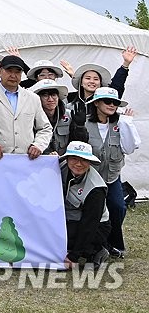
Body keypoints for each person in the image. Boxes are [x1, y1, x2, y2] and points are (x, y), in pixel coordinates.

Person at [84, 87, 141, 258]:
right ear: (96, 103)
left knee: (118, 207)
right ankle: (93, 245)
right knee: (93, 211)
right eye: (107, 101)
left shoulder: (121, 123)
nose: (112, 105)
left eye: (115, 102)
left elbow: (130, 148)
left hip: (112, 175)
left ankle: (113, 244)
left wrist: (128, 123)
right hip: (90, 177)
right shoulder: (85, 123)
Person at [0, 55, 51, 160]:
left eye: (17, 72)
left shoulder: (33, 98)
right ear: (0, 71)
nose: (13, 75)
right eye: (9, 71)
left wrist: (38, 145)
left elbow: (45, 127)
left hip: (27, 160)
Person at [61, 141, 111, 268]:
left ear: (90, 162)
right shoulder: (59, 168)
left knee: (66, 237)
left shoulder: (96, 189)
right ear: (66, 159)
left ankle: (97, 249)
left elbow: (89, 224)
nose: (78, 164)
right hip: (68, 218)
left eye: (83, 160)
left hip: (96, 225)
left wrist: (73, 257)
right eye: (74, 159)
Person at [29, 79, 85, 155]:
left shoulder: (69, 115)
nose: (50, 99)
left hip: (66, 161)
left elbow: (78, 142)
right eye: (45, 95)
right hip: (40, 160)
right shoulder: (31, 118)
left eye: (54, 95)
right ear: (38, 98)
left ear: (58, 97)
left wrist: (80, 127)